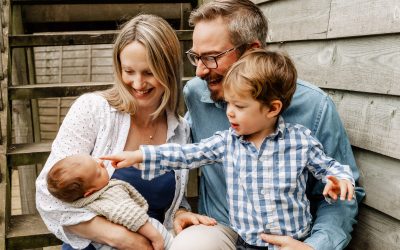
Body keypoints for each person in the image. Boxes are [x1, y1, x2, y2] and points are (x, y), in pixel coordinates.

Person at [101, 49, 356, 250]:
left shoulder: (301, 141)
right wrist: (141, 154)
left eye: (240, 106)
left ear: (272, 109)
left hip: (292, 240)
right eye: (228, 103)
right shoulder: (227, 142)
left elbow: (330, 166)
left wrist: (339, 179)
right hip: (243, 240)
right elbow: (186, 154)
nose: (230, 112)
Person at [172, 1, 366, 249]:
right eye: (196, 57)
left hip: (288, 236)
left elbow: (342, 195)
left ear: (252, 50)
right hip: (220, 228)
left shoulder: (314, 107)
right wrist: (178, 209)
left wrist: (316, 246)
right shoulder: (198, 93)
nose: (199, 71)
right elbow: (177, 152)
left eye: (211, 58)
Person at [35, 14, 215, 250]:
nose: (138, 84)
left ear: (169, 71)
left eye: (149, 73)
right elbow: (48, 197)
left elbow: (172, 200)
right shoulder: (92, 110)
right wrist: (120, 238)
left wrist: (180, 212)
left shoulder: (180, 129)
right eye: (129, 71)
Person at [47, 154, 174, 250]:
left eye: (95, 161)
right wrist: (156, 238)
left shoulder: (79, 202)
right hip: (148, 233)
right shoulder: (110, 196)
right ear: (90, 192)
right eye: (98, 172)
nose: (101, 163)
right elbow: (135, 218)